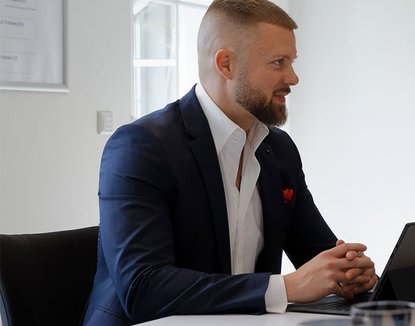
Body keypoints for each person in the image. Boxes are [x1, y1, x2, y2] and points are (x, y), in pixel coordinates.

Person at [85, 1, 377, 324]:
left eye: (292, 62)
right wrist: (285, 288)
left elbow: (319, 255)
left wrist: (349, 271)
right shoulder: (141, 148)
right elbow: (143, 289)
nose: (293, 78)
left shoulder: (278, 150)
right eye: (278, 63)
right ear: (226, 64)